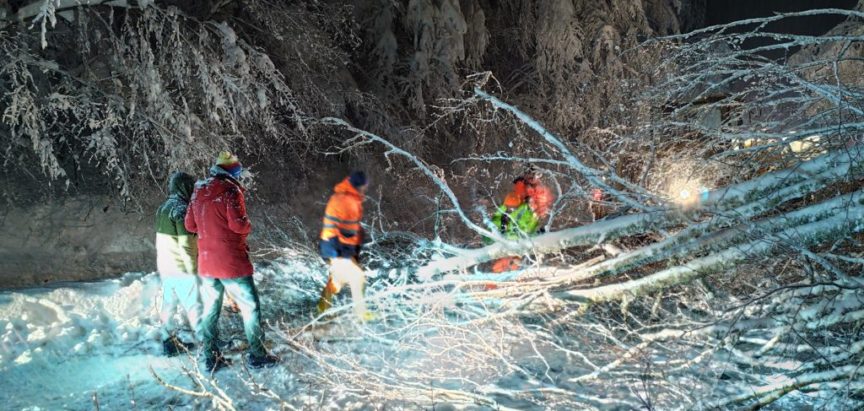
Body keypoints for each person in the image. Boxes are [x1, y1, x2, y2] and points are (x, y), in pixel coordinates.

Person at [185, 151, 277, 372]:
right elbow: (239, 225)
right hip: (231, 262)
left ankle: (211, 357)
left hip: (207, 264)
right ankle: (257, 354)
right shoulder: (230, 190)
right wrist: (246, 224)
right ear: (233, 171)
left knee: (210, 310)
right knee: (250, 308)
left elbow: (190, 225)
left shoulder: (198, 190)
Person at [155, 171, 202, 356]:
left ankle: (168, 342)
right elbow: (187, 244)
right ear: (185, 187)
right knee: (195, 306)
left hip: (166, 265)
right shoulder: (181, 210)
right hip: (182, 268)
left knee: (169, 305)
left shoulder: (162, 208)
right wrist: (193, 270)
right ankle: (210, 346)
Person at [317, 171, 374, 321]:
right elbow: (341, 229)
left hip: (336, 246)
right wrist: (344, 252)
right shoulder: (346, 200)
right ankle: (361, 314)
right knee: (357, 277)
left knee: (337, 281)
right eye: (364, 186)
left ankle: (322, 310)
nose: (365, 190)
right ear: (358, 185)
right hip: (336, 247)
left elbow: (349, 227)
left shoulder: (348, 197)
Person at [489, 170, 554, 273]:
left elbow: (527, 230)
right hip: (517, 221)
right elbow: (526, 229)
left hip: (516, 227)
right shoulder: (520, 206)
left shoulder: (529, 211)